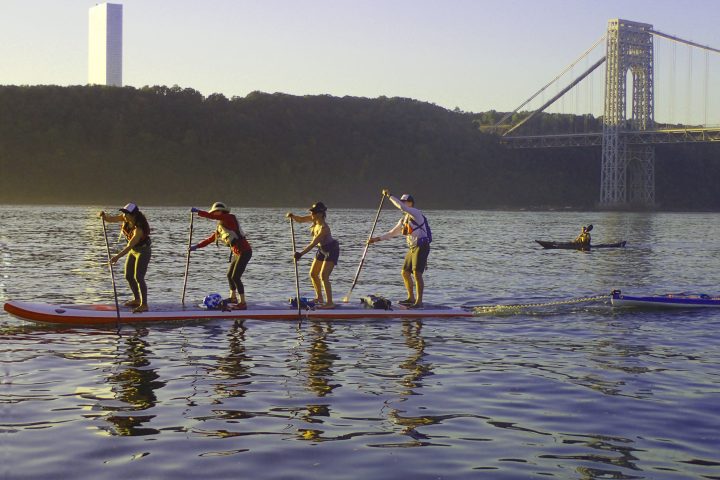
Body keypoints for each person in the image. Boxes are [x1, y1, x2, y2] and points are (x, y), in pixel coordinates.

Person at [369, 190, 431, 308]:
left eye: (405, 201)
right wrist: (375, 239)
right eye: (401, 201)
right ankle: (411, 298)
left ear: (411, 203)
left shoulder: (416, 213)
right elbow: (392, 233)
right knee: (405, 273)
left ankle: (419, 302)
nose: (402, 203)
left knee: (417, 274)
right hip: (412, 247)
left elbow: (401, 207)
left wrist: (389, 196)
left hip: (422, 246)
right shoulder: (403, 220)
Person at [190, 202, 253, 310]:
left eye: (216, 211)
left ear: (222, 211)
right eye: (214, 211)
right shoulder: (220, 227)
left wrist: (198, 212)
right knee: (229, 275)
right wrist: (196, 246)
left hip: (245, 251)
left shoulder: (230, 217)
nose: (215, 213)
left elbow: (211, 216)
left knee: (236, 277)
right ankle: (233, 298)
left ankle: (243, 303)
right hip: (237, 253)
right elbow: (210, 239)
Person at [99, 203, 152, 313]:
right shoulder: (125, 218)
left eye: (127, 213)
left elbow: (129, 246)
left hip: (143, 251)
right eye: (124, 213)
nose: (124, 215)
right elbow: (111, 219)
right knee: (128, 275)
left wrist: (116, 257)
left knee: (139, 277)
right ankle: (137, 299)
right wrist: (104, 216)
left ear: (134, 215)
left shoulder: (139, 228)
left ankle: (144, 304)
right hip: (133, 251)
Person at [286, 202, 340, 309]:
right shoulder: (313, 219)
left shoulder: (324, 228)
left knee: (324, 276)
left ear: (320, 213)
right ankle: (319, 298)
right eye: (311, 212)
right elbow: (301, 219)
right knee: (313, 274)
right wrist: (292, 216)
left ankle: (330, 303)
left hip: (331, 250)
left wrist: (300, 254)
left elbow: (313, 244)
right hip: (322, 249)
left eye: (314, 212)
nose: (312, 214)